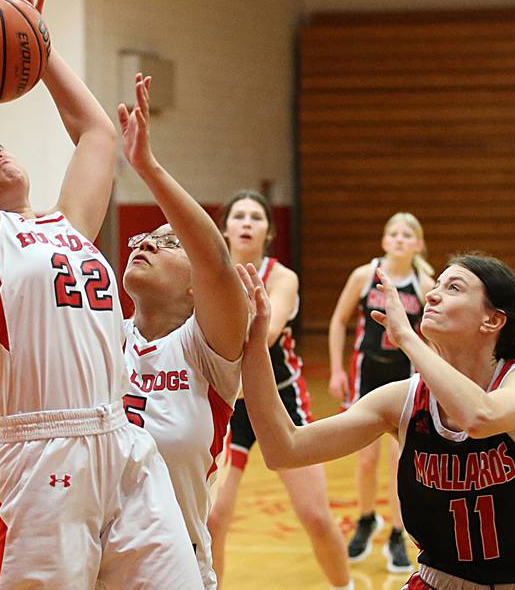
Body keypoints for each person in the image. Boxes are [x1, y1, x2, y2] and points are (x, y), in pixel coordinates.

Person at [0, 0, 202, 588]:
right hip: (41, 460)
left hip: (124, 443)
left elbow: (98, 133)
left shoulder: (69, 227)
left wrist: (38, 46)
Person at [238, 254, 515, 589]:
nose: (433, 295)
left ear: (492, 320)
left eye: (453, 287)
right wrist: (255, 342)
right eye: (436, 285)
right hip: (438, 582)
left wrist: (407, 339)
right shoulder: (400, 401)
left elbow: (480, 417)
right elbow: (285, 449)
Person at [118, 77, 248, 589]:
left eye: (168, 243)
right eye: (143, 238)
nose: (146, 244)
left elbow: (216, 260)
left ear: (200, 288)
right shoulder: (102, 336)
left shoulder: (205, 350)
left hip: (173, 563)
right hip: (90, 558)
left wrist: (146, 167)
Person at [207, 191, 352, 590]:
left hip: (279, 399)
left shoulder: (282, 277)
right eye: (239, 216)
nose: (248, 223)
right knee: (214, 517)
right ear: (225, 228)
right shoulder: (208, 274)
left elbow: (266, 333)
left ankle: (345, 586)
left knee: (316, 516)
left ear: (269, 231)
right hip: (229, 401)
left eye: (257, 217)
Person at [327, 212, 434, 572]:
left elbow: (435, 333)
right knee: (366, 459)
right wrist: (337, 369)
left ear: (418, 244)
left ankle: (397, 533)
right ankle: (366, 517)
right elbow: (339, 321)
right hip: (366, 377)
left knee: (399, 461)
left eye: (408, 234)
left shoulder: (424, 282)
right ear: (385, 241)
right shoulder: (364, 275)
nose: (400, 239)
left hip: (404, 380)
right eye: (394, 233)